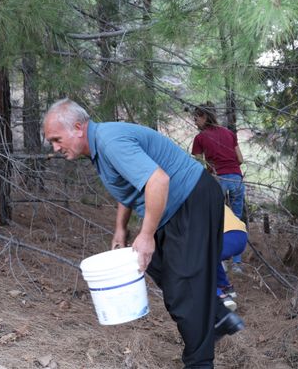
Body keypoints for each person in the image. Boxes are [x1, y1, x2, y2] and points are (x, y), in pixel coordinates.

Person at [43, 98, 244, 368]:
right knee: (162, 273)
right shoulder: (100, 147)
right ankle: (219, 316)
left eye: (56, 139)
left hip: (191, 199)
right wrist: (120, 229)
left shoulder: (110, 141)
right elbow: (130, 185)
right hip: (174, 208)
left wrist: (147, 234)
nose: (55, 148)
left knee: (185, 291)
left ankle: (199, 362)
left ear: (78, 127)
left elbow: (157, 180)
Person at [191, 102, 246, 273]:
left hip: (217, 178)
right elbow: (240, 159)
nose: (194, 121)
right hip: (236, 178)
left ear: (204, 117)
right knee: (236, 219)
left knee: (216, 220)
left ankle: (220, 259)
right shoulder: (229, 133)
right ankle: (237, 264)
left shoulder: (200, 138)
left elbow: (199, 165)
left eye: (196, 117)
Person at [217, 205, 248, 312]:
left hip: (226, 237)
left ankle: (220, 297)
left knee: (199, 260)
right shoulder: (213, 196)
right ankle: (225, 287)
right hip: (242, 235)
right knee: (212, 259)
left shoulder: (192, 202)